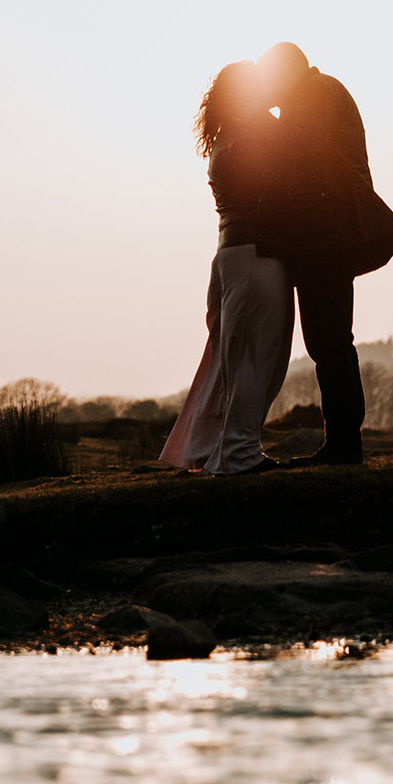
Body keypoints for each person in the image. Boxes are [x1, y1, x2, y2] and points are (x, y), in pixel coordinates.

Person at [252, 42, 393, 466]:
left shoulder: (314, 96)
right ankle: (341, 441)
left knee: (331, 340)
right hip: (325, 235)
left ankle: (344, 444)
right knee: (328, 339)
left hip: (326, 237)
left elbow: (295, 153)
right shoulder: (317, 93)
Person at [160, 60, 294, 477]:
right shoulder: (256, 135)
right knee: (258, 358)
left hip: (230, 256)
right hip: (256, 257)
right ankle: (239, 453)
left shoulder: (224, 137)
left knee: (231, 362)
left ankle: (213, 448)